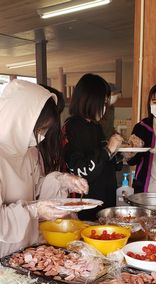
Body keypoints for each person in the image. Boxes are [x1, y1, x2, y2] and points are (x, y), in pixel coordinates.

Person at [0, 80, 88, 270]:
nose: (41, 135)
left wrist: (62, 180)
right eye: (38, 129)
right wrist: (35, 210)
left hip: (21, 250)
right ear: (19, 120)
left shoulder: (29, 152)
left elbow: (36, 188)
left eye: (44, 129)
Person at [63, 73, 123, 221]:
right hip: (87, 206)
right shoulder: (74, 126)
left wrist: (120, 155)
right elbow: (80, 169)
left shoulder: (95, 126)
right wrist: (109, 150)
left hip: (104, 202)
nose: (105, 106)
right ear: (90, 100)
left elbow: (105, 162)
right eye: (103, 102)